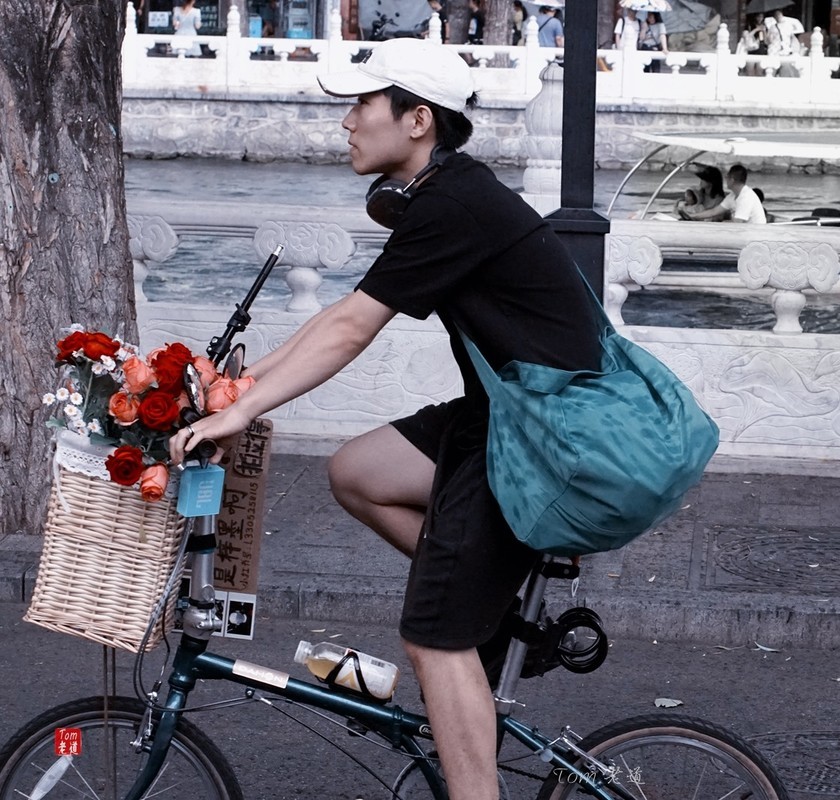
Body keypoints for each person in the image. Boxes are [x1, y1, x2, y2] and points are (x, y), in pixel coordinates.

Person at [169, 38, 603, 799]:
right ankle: (487, 599)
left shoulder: (453, 205)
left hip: (542, 434)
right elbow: (342, 312)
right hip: (505, 415)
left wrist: (241, 418)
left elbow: (350, 331)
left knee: (432, 637)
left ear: (416, 120)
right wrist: (237, 388)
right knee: (358, 471)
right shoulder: (445, 194)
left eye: (362, 103)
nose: (347, 121)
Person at [680, 164, 766, 224]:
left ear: (732, 180)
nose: (725, 179)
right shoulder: (732, 196)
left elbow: (738, 223)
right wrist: (692, 216)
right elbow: (714, 211)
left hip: (755, 236)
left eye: (727, 177)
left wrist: (723, 222)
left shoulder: (746, 197)